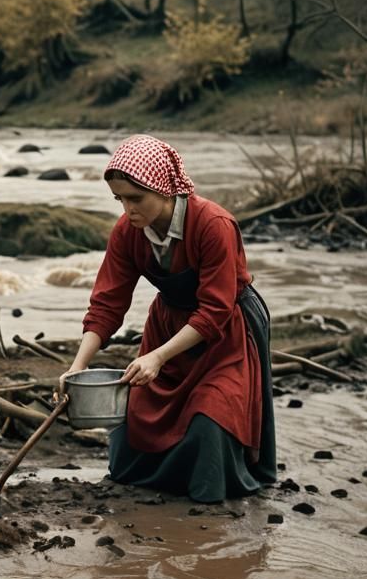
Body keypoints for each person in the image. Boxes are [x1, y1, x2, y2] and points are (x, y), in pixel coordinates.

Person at [60, 134, 275, 502]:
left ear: (164, 188)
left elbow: (215, 310)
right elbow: (107, 304)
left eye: (136, 198)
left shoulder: (214, 225)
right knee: (137, 420)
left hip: (227, 331)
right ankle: (154, 481)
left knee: (211, 417)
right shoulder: (128, 232)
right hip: (169, 326)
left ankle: (211, 490)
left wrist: (158, 357)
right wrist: (77, 367)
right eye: (120, 199)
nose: (128, 210)